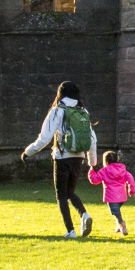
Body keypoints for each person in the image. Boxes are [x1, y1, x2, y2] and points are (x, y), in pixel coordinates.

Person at [19, 81, 96, 237]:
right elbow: (92, 138)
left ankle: (70, 231)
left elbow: (44, 137)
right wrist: (92, 162)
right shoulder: (83, 111)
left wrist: (28, 152)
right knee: (70, 192)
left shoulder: (57, 110)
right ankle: (84, 215)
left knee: (61, 194)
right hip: (79, 156)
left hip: (62, 156)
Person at [86, 150, 135, 237]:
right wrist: (131, 190)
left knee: (115, 212)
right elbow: (130, 179)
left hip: (111, 197)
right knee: (117, 211)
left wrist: (91, 171)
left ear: (105, 161)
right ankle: (118, 225)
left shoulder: (104, 171)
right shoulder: (122, 169)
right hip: (121, 196)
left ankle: (122, 225)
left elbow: (94, 180)